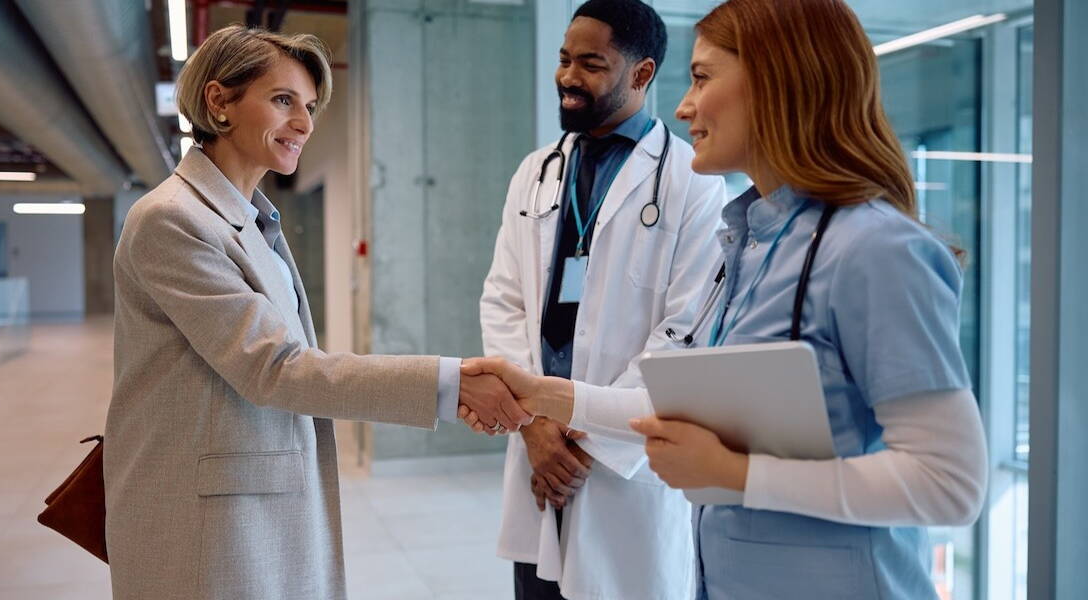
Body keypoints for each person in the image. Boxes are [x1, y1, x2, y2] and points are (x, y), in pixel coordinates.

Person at [464, 0, 990, 598]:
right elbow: (695, 408)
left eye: (701, 77)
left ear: (777, 81)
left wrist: (731, 474)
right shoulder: (757, 244)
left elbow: (951, 483)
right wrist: (546, 400)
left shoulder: (874, 250)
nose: (683, 105)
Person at [104, 26, 529, 600]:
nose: (304, 124)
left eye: (308, 106)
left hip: (250, 499)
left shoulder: (252, 220)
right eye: (283, 101)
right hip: (207, 519)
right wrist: (449, 383)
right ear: (219, 101)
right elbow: (275, 367)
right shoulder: (173, 220)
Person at [472, 0, 725, 597]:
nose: (567, 77)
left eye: (591, 64)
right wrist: (534, 428)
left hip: (620, 468)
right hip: (538, 458)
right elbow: (503, 301)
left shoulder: (696, 181)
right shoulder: (536, 172)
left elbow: (684, 333)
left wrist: (584, 442)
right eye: (564, 60)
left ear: (641, 74)